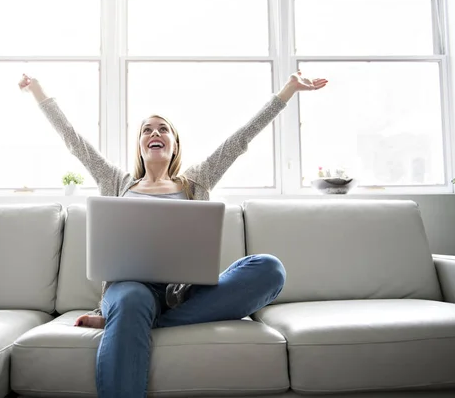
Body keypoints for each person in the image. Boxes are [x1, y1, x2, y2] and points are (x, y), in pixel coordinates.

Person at [19, 71, 328, 398]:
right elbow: (74, 141)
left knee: (269, 268)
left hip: (185, 295)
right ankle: (130, 316)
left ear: (174, 143)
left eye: (163, 128)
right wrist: (39, 91)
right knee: (133, 299)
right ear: (140, 146)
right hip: (130, 288)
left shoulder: (196, 181)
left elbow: (240, 140)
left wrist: (288, 91)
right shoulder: (116, 182)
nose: (155, 132)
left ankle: (136, 321)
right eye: (147, 130)